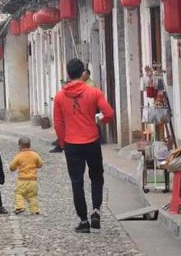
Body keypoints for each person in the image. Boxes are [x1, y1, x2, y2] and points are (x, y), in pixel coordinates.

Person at [53, 58, 115, 233]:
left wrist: (63, 143)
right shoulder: (94, 92)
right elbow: (109, 113)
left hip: (72, 143)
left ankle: (83, 221)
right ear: (82, 73)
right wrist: (100, 121)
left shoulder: (59, 96)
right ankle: (96, 210)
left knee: (77, 182)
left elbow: (58, 123)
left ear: (68, 74)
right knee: (96, 177)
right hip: (92, 140)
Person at [9, 137, 43, 215]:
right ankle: (34, 210)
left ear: (20, 146)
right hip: (33, 181)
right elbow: (40, 164)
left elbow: (12, 167)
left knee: (19, 193)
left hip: (22, 180)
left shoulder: (19, 156)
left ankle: (20, 207)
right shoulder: (35, 155)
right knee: (32, 196)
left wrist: (12, 168)